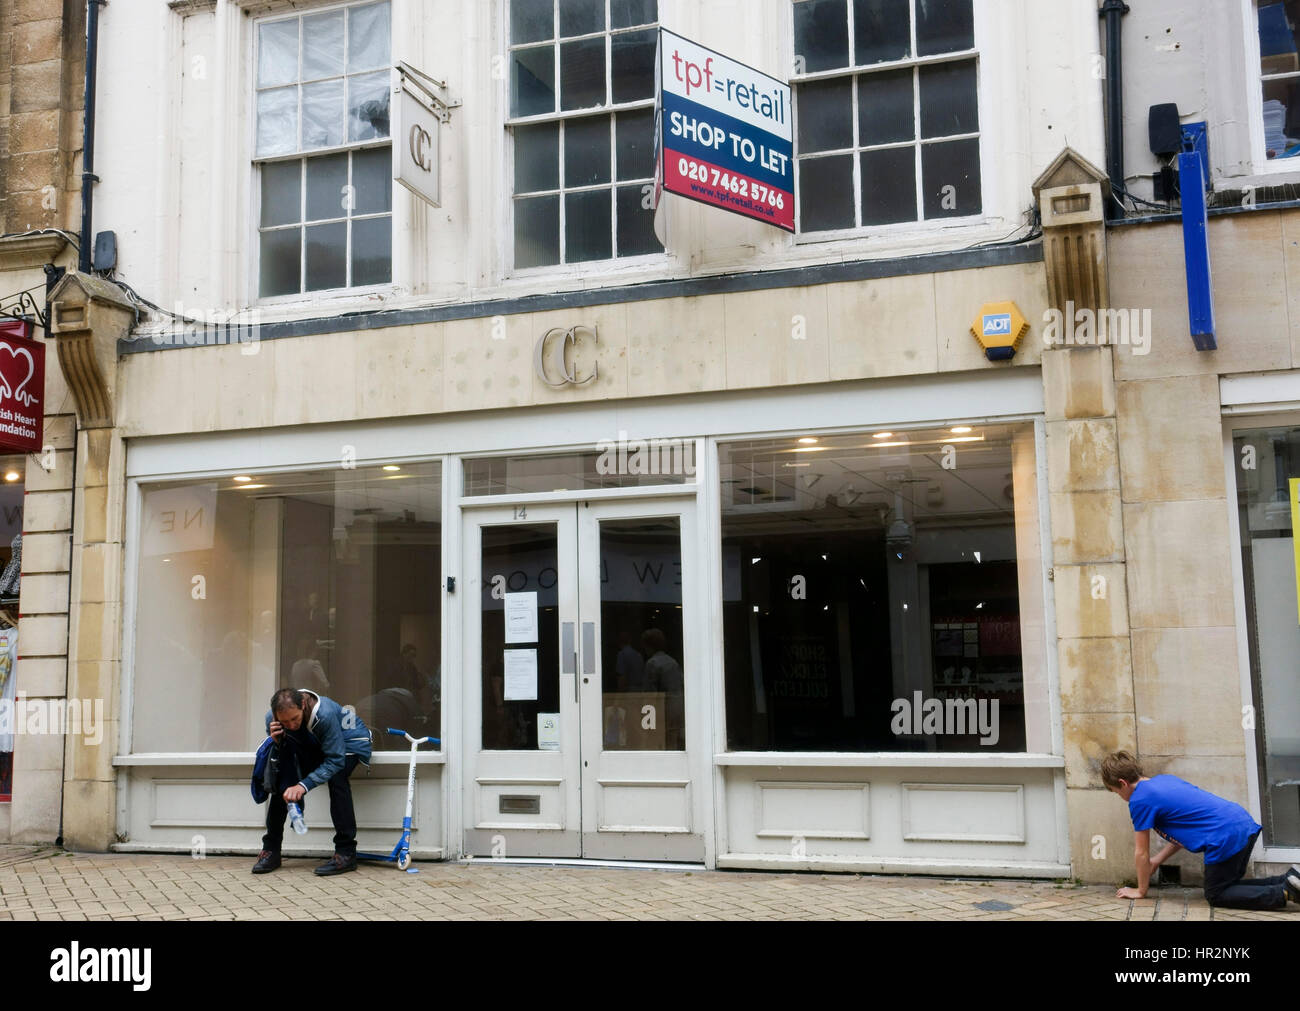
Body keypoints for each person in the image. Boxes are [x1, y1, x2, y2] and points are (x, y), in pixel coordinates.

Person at [1102, 750, 1300, 910]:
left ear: (1122, 783)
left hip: (1224, 837)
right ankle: (1289, 880)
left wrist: (1141, 890)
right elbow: (1180, 837)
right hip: (1242, 824)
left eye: (1116, 792)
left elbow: (1141, 852)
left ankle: (1284, 892)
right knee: (1229, 887)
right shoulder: (1164, 781)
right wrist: (1156, 861)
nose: (1120, 796)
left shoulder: (1139, 800)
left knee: (1217, 894)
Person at [252, 687, 372, 876]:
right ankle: (271, 850)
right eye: (285, 721)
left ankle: (346, 853)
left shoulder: (323, 714)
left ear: (303, 705)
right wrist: (277, 742)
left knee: (336, 776)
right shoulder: (273, 719)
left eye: (295, 719)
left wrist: (303, 785)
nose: (290, 725)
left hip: (350, 742)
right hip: (318, 744)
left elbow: (336, 759)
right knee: (282, 781)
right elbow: (285, 753)